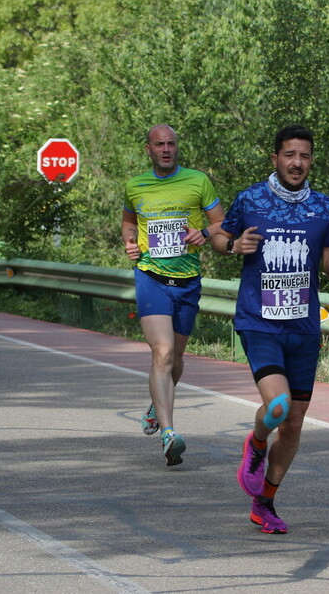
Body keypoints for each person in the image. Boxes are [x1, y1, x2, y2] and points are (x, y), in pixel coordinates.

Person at [212, 125, 329, 534]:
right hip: (260, 322)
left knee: (293, 424)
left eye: (304, 156)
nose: (297, 163)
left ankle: (265, 502)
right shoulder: (251, 199)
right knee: (278, 408)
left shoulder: (324, 207)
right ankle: (255, 444)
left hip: (303, 328)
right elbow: (220, 236)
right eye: (289, 154)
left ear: (311, 161)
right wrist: (234, 246)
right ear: (275, 158)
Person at [122, 124, 224, 467]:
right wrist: (129, 242)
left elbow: (222, 223)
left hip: (188, 280)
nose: (166, 149)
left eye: (171, 144)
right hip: (151, 277)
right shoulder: (135, 186)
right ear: (148, 149)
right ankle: (169, 433)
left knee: (176, 359)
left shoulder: (198, 181)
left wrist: (205, 233)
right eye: (159, 145)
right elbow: (127, 221)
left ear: (177, 148)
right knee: (162, 353)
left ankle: (156, 403)